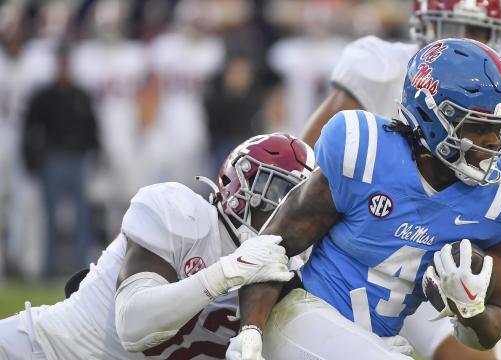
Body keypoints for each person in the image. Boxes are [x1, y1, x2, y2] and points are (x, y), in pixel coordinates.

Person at [227, 39, 501, 360]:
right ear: (432, 117)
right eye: (477, 126)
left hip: (377, 341)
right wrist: (249, 334)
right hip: (301, 316)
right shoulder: (366, 152)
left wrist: (471, 312)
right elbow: (271, 248)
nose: (493, 143)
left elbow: (489, 331)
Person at [299, 1, 501, 359]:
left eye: (480, 31)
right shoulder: (383, 65)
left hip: (432, 266)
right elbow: (304, 159)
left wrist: (470, 303)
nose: (467, 40)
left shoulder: (495, 85)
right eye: (455, 27)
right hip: (353, 250)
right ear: (425, 25)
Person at [0, 133, 315, 360]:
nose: (285, 211)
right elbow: (133, 326)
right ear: (239, 186)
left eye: (297, 200)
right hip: (45, 350)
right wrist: (229, 271)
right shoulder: (181, 212)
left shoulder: (289, 273)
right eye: (276, 192)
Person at [22, 43, 100, 276]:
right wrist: (33, 160)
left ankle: (81, 268)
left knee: (82, 218)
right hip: (53, 159)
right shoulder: (44, 96)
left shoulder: (81, 95)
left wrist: (95, 153)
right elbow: (30, 129)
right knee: (50, 218)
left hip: (77, 159)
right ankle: (49, 267)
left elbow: (93, 128)